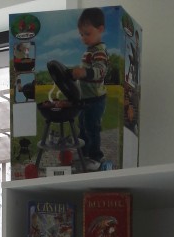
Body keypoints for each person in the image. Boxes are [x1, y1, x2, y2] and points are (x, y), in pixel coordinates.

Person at [71, 8, 109, 170]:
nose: (83, 38)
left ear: (100, 29)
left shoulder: (99, 51)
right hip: (86, 98)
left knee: (92, 128)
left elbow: (100, 72)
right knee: (82, 126)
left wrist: (84, 73)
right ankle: (83, 153)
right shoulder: (90, 51)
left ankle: (95, 157)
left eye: (87, 34)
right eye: (81, 35)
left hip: (95, 99)